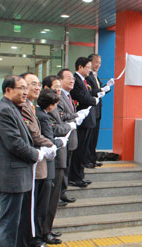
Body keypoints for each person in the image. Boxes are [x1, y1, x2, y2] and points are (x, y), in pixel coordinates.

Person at [0, 75, 41, 247]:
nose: (24, 91)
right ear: (8, 90)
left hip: (16, 174)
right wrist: (37, 154)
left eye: (25, 88)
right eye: (21, 88)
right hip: (11, 175)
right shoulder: (4, 111)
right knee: (8, 225)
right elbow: (15, 144)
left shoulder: (11, 108)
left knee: (12, 224)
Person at [17, 73, 56, 247]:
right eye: (31, 84)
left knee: (38, 206)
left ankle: (30, 244)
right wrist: (51, 145)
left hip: (38, 163)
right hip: (31, 164)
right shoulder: (22, 108)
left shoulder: (30, 107)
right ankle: (27, 246)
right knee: (31, 209)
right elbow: (34, 134)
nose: (36, 88)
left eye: (37, 84)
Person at [42, 75, 75, 239]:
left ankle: (48, 229)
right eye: (55, 87)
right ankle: (44, 231)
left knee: (53, 200)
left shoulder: (55, 105)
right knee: (49, 199)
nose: (58, 90)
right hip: (53, 158)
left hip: (60, 156)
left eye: (59, 87)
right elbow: (54, 128)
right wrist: (68, 126)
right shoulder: (44, 108)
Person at [35, 88, 67, 245]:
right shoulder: (43, 116)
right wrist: (60, 141)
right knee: (44, 202)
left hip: (48, 162)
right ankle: (41, 234)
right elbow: (48, 138)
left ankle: (44, 231)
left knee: (47, 201)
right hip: (46, 163)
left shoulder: (39, 113)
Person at [69, 57, 99, 187]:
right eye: (87, 67)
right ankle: (74, 177)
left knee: (83, 150)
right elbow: (83, 97)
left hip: (88, 120)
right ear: (80, 67)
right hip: (82, 120)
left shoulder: (84, 80)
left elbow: (89, 93)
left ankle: (80, 175)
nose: (89, 69)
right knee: (78, 150)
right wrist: (93, 100)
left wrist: (100, 92)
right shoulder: (76, 80)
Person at [57, 69, 84, 199]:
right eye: (68, 77)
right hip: (62, 138)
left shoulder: (68, 95)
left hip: (71, 139)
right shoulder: (58, 96)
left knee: (66, 167)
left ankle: (63, 192)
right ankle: (59, 193)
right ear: (60, 80)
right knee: (61, 169)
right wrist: (76, 115)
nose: (72, 80)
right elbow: (60, 115)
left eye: (73, 78)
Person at [85, 54, 114, 168]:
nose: (98, 65)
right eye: (96, 62)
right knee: (88, 137)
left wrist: (108, 86)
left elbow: (100, 92)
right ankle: (86, 160)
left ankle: (92, 159)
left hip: (97, 111)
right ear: (90, 62)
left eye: (100, 63)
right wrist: (103, 89)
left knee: (94, 137)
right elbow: (91, 92)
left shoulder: (96, 76)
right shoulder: (87, 76)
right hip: (90, 111)